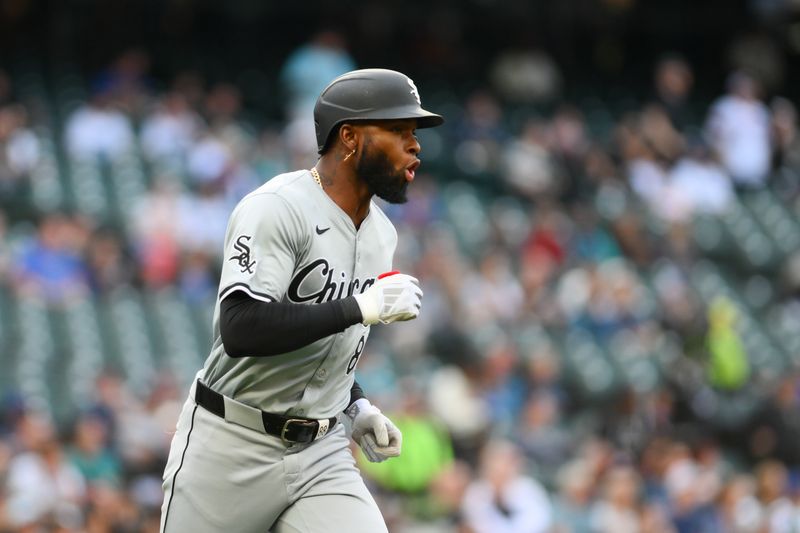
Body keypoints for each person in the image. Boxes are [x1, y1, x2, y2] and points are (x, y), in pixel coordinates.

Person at [159, 68, 444, 533]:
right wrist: (359, 307)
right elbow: (240, 327)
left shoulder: (382, 234)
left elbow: (329, 345)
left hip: (322, 452)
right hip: (231, 443)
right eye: (398, 131)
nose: (415, 146)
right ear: (349, 137)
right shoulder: (277, 206)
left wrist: (356, 406)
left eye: (413, 134)